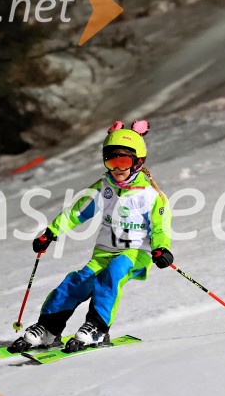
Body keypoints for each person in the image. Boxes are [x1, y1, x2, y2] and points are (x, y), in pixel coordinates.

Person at [9, 120, 173, 353]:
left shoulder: (150, 195)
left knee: (113, 273)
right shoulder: (103, 187)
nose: (117, 168)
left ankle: (97, 327)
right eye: (111, 161)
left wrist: (162, 249)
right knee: (76, 282)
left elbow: (160, 228)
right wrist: (52, 232)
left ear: (138, 162)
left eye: (124, 161)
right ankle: (48, 329)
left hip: (136, 253)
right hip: (103, 253)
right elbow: (76, 213)